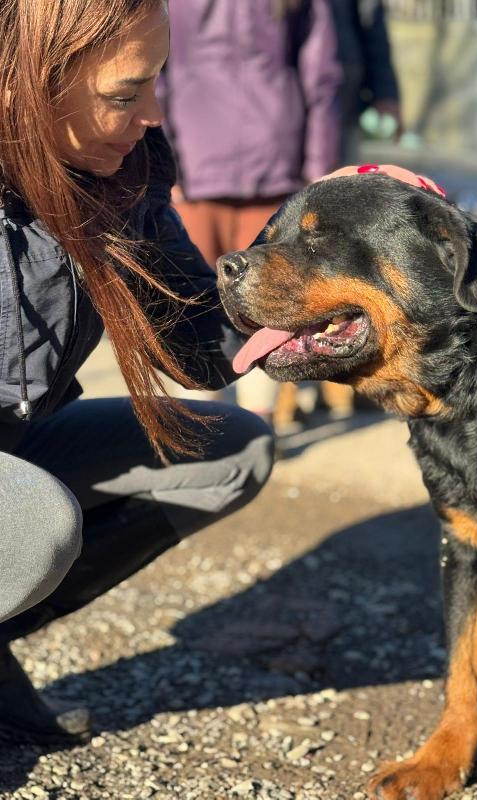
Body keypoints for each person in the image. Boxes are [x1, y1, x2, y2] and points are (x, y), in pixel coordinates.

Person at [0, 0, 275, 743]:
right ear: (18, 86)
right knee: (31, 522)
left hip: (15, 444)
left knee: (233, 449)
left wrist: (313, 267)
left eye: (157, 83)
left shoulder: (123, 174)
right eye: (125, 94)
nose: (153, 113)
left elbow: (203, 349)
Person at [158, 0, 343, 427]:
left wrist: (318, 174)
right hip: (203, 164)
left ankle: (253, 424)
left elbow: (321, 73)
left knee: (265, 298)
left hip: (269, 165)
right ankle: (204, 425)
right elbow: (153, 68)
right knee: (191, 301)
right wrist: (162, 161)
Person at [328, 0, 403, 163]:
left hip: (342, 82)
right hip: (283, 83)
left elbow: (371, 17)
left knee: (338, 175)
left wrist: (386, 91)